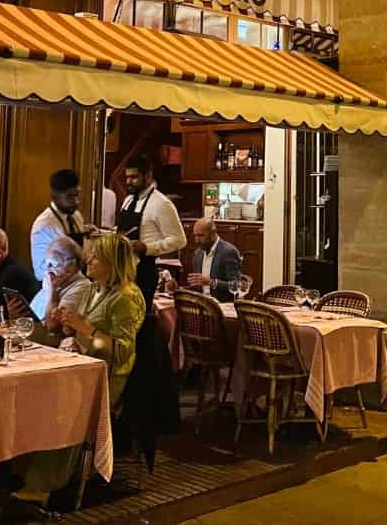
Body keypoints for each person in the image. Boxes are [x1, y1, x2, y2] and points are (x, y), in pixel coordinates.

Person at [19, 233, 145, 502]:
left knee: (60, 404)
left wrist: (84, 328)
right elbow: (81, 334)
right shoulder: (95, 289)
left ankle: (45, 483)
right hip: (83, 367)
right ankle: (23, 468)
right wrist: (68, 330)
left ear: (111, 262)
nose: (89, 259)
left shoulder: (126, 297)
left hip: (109, 378)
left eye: (96, 256)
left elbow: (122, 351)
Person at [118, 154, 186, 309]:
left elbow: (179, 239)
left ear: (148, 176)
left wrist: (147, 248)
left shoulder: (161, 204)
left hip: (144, 272)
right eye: (127, 177)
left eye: (134, 177)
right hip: (123, 271)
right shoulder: (128, 200)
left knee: (139, 322)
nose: (129, 182)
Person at [30, 169, 88, 282]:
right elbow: (40, 273)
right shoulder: (44, 226)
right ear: (54, 196)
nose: (76, 202)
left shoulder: (76, 216)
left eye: (77, 195)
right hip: (54, 289)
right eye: (69, 197)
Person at [24, 236, 91, 321]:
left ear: (71, 265)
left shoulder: (81, 287)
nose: (47, 269)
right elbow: (32, 313)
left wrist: (53, 290)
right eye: (47, 263)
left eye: (52, 264)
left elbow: (52, 325)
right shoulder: (53, 281)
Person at [180, 217, 242, 303]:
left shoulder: (229, 252)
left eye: (201, 235)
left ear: (213, 233)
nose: (196, 240)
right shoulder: (198, 254)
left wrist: (212, 282)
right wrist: (178, 288)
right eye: (195, 235)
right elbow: (196, 287)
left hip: (220, 306)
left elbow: (237, 286)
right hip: (201, 304)